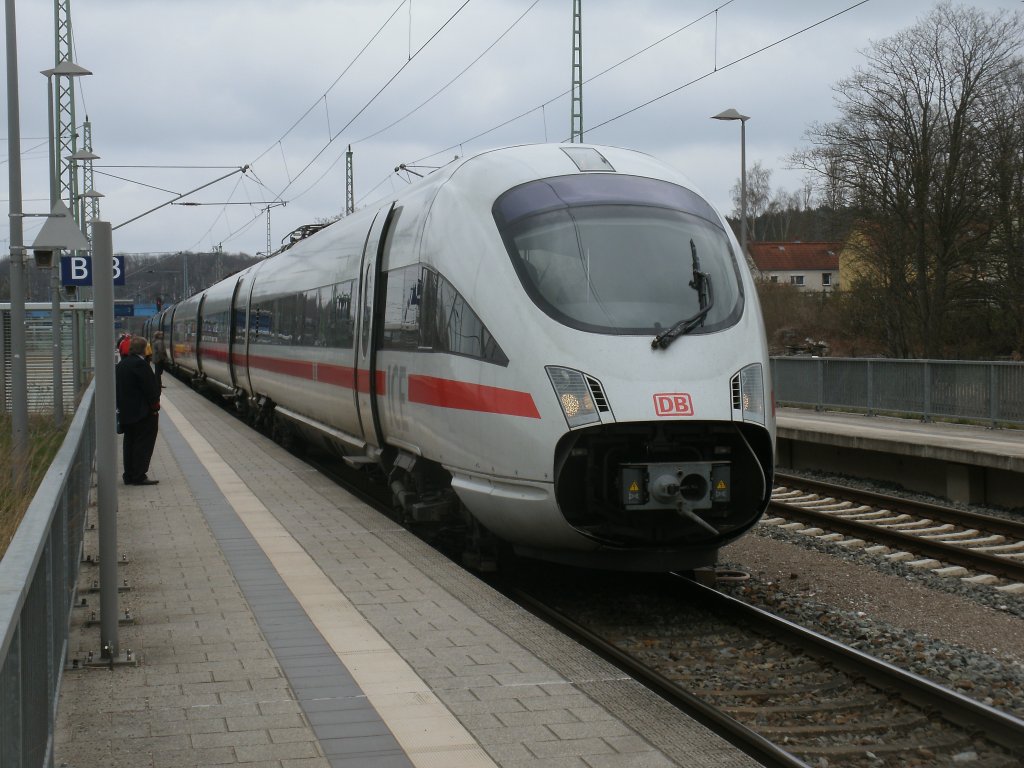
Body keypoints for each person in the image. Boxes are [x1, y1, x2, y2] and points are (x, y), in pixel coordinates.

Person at [115, 335, 161, 486]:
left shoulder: (121, 365)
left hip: (126, 413)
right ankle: (139, 475)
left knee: (129, 444)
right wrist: (155, 408)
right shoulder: (140, 366)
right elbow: (150, 389)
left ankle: (128, 475)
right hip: (143, 414)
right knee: (143, 444)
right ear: (145, 349)